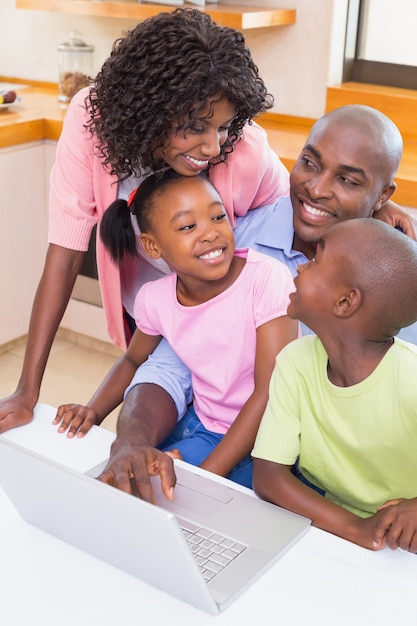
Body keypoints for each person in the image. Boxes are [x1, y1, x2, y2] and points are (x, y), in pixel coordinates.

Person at [89, 104, 416, 501]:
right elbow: (171, 361)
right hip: (219, 438)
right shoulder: (235, 240)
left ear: (383, 195)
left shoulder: (396, 276)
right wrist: (130, 440)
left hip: (319, 474)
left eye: (348, 180)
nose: (316, 188)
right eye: (309, 163)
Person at [0, 8, 290, 435]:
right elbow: (63, 256)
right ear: (149, 109)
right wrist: (27, 391)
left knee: (209, 435)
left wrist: (373, 209)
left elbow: (299, 207)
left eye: (224, 126)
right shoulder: (89, 122)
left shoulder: (245, 149)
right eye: (195, 127)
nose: (213, 146)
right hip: (153, 317)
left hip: (231, 329)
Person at [56, 170, 298, 488]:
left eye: (217, 216)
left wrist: (205, 478)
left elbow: (270, 391)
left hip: (262, 438)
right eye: (188, 226)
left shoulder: (266, 279)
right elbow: (133, 359)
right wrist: (93, 410)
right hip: (201, 423)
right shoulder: (155, 299)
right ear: (153, 246)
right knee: (121, 480)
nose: (211, 233)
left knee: (164, 493)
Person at [252, 218, 417, 553]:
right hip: (338, 532)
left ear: (345, 302)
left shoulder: (411, 378)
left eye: (315, 260)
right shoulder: (295, 362)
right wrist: (358, 529)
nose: (299, 269)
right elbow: (268, 477)